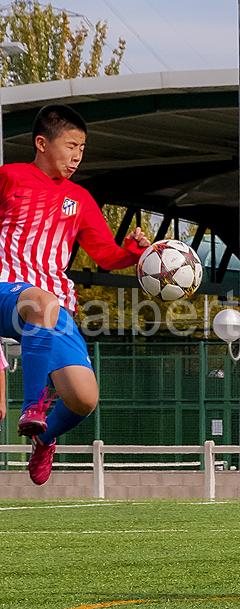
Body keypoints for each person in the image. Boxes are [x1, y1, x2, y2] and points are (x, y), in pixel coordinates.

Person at [0, 104, 151, 484]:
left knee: (84, 398)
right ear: (41, 143)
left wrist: (133, 253)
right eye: (70, 146)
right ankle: (33, 407)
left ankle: (44, 438)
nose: (77, 156)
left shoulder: (79, 198)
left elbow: (105, 255)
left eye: (82, 148)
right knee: (41, 301)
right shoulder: (10, 178)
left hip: (52, 306)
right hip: (6, 289)